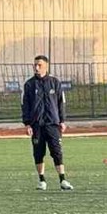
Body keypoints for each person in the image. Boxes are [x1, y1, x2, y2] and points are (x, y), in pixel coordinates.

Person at [21, 55, 72, 191]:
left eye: (39, 65)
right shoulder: (29, 85)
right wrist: (27, 124)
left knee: (57, 151)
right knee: (38, 152)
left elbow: (61, 103)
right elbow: (25, 105)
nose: (36, 68)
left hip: (52, 124)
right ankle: (42, 180)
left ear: (46, 66)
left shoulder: (55, 82)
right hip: (37, 125)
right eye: (35, 65)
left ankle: (63, 180)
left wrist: (62, 121)